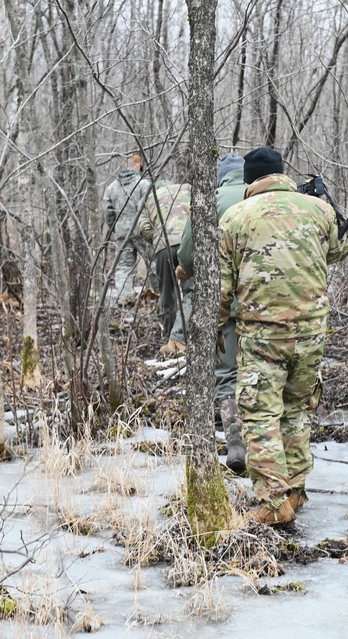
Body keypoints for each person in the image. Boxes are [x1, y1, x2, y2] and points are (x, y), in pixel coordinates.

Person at [219, 146, 348, 526]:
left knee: (260, 415)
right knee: (297, 410)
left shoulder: (234, 218)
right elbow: (343, 247)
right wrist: (321, 207)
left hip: (262, 336)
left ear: (249, 180)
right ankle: (294, 490)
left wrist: (215, 331)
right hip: (311, 334)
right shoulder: (318, 210)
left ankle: (273, 501)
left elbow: (221, 288)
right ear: (282, 174)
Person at [175, 153, 246, 471]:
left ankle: (235, 443)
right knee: (266, 374)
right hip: (269, 301)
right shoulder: (266, 196)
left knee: (227, 373)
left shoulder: (211, 199)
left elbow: (187, 255)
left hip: (223, 301)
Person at [140, 180, 191, 353]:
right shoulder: (187, 189)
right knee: (191, 292)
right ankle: (184, 336)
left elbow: (144, 226)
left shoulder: (151, 197)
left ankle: (169, 336)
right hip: (187, 243)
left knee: (166, 293)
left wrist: (157, 240)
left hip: (164, 247)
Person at [101, 155, 151, 305]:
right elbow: (150, 207)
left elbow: (108, 213)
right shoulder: (143, 184)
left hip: (122, 232)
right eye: (140, 167)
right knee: (153, 263)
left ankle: (125, 300)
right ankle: (157, 296)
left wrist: (116, 228)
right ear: (136, 166)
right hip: (142, 231)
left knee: (124, 267)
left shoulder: (111, 188)